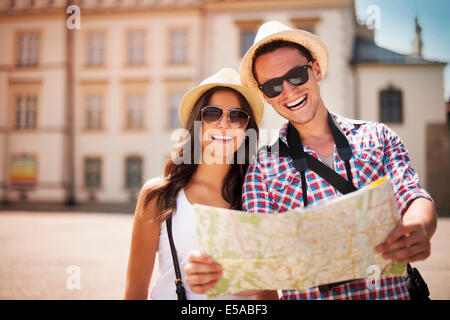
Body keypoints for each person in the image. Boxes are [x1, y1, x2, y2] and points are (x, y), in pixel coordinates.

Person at [184, 21, 437, 300]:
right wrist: (220, 273)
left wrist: (419, 228)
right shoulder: (262, 168)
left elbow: (412, 196)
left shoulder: (379, 136)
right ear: (264, 97)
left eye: (295, 76)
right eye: (272, 86)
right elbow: (262, 265)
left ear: (315, 70)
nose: (288, 92)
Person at [124, 68, 270, 300]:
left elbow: (267, 293)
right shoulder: (158, 196)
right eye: (212, 114)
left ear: (246, 130)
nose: (224, 124)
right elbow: (134, 294)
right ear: (197, 124)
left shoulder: (257, 197)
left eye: (236, 116)